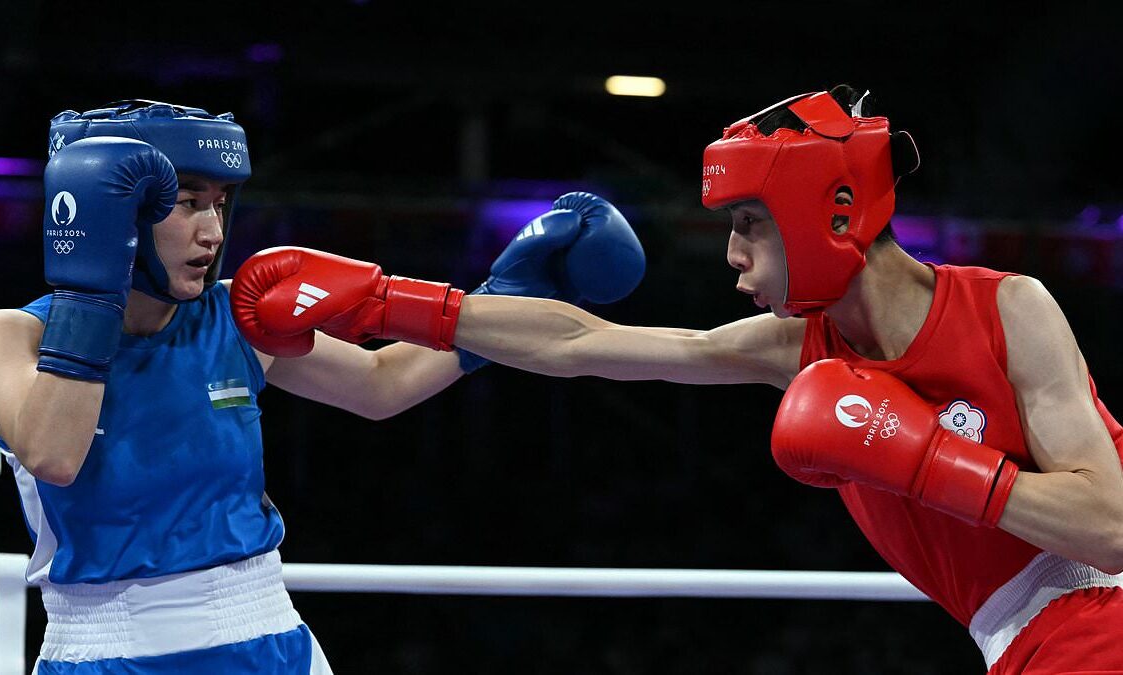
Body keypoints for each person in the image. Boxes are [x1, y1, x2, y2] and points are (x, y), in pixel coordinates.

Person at [236, 85, 1123, 673]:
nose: (732, 258)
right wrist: (391, 302)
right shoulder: (792, 349)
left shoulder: (1011, 309)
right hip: (1025, 647)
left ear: (833, 215)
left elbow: (1111, 529)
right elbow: (582, 342)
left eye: (749, 225)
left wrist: (929, 458)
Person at [0, 99, 645, 674]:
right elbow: (55, 454)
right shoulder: (8, 335)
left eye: (221, 203)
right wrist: (91, 290)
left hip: (266, 634)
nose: (212, 230)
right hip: (104, 646)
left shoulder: (234, 317)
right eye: (186, 204)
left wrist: (505, 299)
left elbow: (384, 382)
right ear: (111, 210)